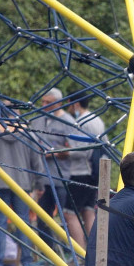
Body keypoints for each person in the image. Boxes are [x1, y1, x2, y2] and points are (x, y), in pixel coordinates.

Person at [30, 88, 82, 249]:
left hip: (62, 177)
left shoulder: (68, 121)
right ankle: (48, 253)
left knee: (66, 215)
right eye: (43, 102)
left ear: (58, 103)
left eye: (49, 103)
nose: (44, 105)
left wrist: (52, 153)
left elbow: (73, 149)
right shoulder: (37, 120)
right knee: (43, 217)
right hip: (42, 178)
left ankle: (75, 250)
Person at [0, 102, 42, 266]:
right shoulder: (26, 131)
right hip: (22, 182)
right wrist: (38, 183)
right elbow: (35, 158)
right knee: (23, 221)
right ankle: (27, 261)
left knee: (0, 222)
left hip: (1, 182)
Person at [66, 95, 105, 238]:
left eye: (69, 104)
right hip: (96, 172)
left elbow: (80, 151)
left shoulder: (81, 122)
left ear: (75, 104)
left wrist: (60, 152)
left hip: (82, 172)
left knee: (70, 213)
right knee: (88, 211)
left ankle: (80, 254)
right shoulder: (97, 119)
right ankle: (94, 252)